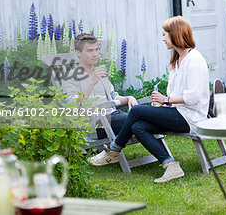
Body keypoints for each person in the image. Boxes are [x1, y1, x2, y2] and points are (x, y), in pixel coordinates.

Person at [88, 16, 210, 183]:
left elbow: (193, 97)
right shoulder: (176, 60)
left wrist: (166, 99)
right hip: (177, 112)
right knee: (138, 126)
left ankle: (113, 150)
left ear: (176, 35)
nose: (163, 39)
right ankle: (170, 165)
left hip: (191, 117)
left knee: (137, 110)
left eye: (165, 34)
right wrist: (165, 102)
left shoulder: (194, 59)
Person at [63, 33, 138, 139]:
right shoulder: (71, 77)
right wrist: (92, 82)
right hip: (96, 125)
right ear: (78, 53)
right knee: (139, 121)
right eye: (90, 51)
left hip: (113, 116)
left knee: (140, 121)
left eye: (96, 50)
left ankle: (163, 156)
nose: (95, 54)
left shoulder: (100, 73)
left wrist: (129, 98)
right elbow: (73, 106)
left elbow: (114, 97)